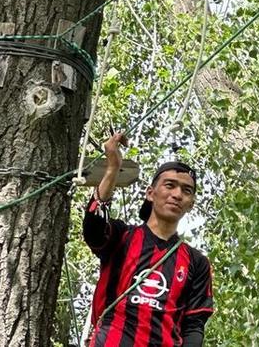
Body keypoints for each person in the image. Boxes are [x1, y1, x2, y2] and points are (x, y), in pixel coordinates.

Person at [82, 131, 214, 347]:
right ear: (150, 193)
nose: (178, 194)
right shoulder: (121, 236)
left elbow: (193, 326)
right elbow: (93, 229)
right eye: (170, 185)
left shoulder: (197, 263)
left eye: (186, 190)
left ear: (190, 203)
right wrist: (113, 168)